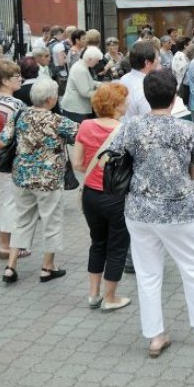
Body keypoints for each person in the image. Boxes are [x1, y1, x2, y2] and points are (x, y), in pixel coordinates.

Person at [108, 69, 194, 356]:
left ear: (146, 97)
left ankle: (155, 335)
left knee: (148, 274)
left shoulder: (130, 126)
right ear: (174, 97)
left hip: (139, 209)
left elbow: (113, 158)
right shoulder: (185, 129)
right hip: (179, 209)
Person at [0, 78, 78, 285]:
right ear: (51, 99)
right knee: (51, 222)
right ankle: (47, 267)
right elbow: (80, 136)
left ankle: (11, 267)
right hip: (49, 180)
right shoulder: (58, 121)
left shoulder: (19, 115)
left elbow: (1, 142)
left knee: (22, 220)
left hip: (22, 177)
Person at [70, 83, 132, 312]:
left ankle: (93, 294)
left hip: (90, 195)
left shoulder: (85, 125)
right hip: (116, 197)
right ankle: (111, 297)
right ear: (116, 105)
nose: (127, 104)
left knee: (97, 243)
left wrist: (95, 169)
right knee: (117, 246)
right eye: (124, 100)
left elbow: (77, 163)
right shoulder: (126, 130)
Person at [0, 59, 28, 260]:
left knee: (2, 199)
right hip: (9, 158)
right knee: (11, 201)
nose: (20, 79)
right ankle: (6, 245)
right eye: (17, 77)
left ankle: (3, 241)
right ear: (6, 81)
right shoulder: (17, 105)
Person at [60, 46, 103, 123]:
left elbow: (88, 81)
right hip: (75, 109)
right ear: (90, 59)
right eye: (97, 60)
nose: (98, 63)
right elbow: (85, 92)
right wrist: (103, 92)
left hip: (76, 108)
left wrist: (101, 84)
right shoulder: (81, 70)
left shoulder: (81, 65)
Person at [117, 41, 157, 119]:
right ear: (147, 63)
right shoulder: (146, 87)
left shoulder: (124, 78)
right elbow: (148, 118)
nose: (158, 60)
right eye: (156, 58)